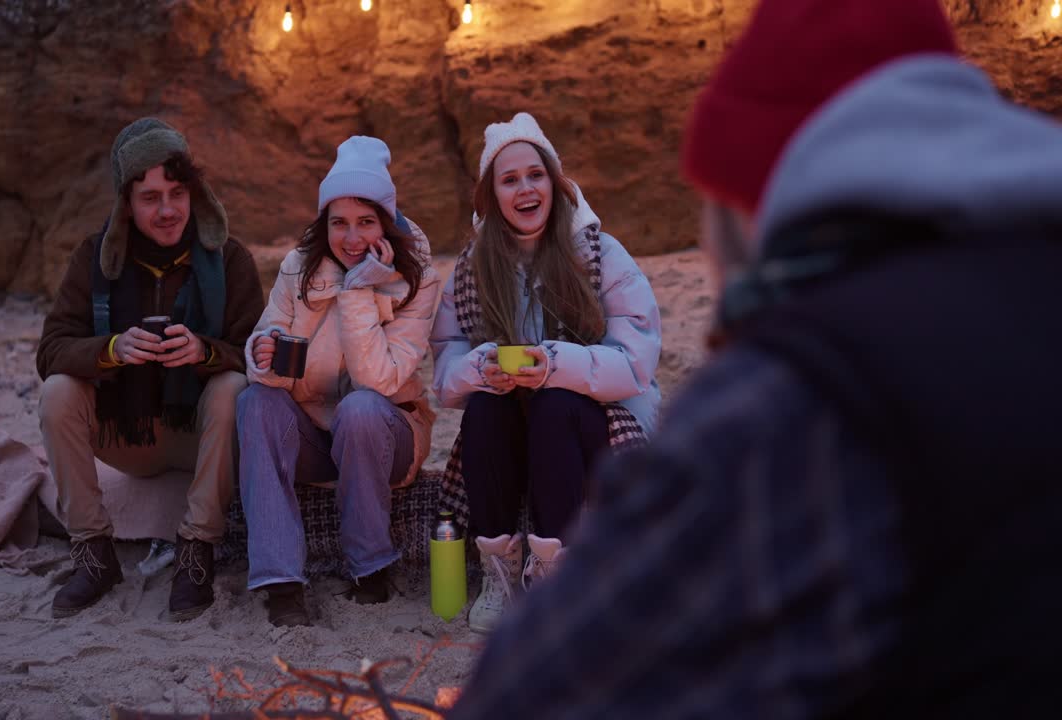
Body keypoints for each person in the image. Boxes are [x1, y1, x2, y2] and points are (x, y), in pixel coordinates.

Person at [447, 0, 1062, 717]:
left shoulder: (795, 392)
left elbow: (536, 686)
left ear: (752, 206)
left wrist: (557, 364)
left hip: (588, 423)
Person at [429, 112, 662, 634]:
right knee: (485, 405)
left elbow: (637, 363)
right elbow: (444, 374)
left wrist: (556, 364)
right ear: (491, 197)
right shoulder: (472, 268)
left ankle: (557, 570)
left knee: (556, 401)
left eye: (535, 175)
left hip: (594, 424)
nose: (525, 189)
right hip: (515, 422)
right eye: (509, 180)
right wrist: (479, 367)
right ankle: (500, 571)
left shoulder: (598, 252)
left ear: (554, 183)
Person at [36, 117, 263, 621]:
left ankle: (195, 552)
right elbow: (50, 349)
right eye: (150, 198)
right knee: (57, 393)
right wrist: (112, 349)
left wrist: (204, 352)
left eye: (178, 193)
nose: (167, 211)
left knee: (232, 386)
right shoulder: (94, 260)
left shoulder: (228, 259)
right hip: (125, 434)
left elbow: (254, 352)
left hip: (201, 434)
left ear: (194, 193)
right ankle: (94, 555)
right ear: (125, 202)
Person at [237, 136, 440, 627]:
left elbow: (380, 381)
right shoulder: (296, 268)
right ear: (324, 223)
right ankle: (281, 580)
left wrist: (356, 291)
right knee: (255, 402)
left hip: (386, 435)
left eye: (366, 222)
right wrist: (262, 354)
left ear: (386, 224)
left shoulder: (419, 281)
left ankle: (370, 567)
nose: (351, 238)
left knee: (361, 408)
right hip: (312, 433)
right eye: (339, 223)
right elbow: (270, 349)